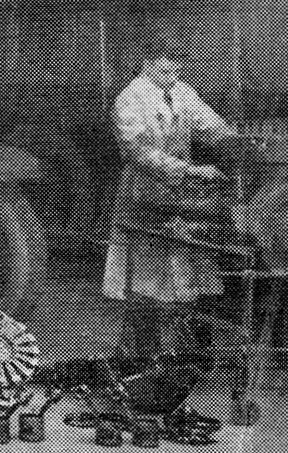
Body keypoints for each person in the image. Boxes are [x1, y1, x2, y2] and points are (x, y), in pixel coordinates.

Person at [102, 53, 241, 360]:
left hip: (179, 197)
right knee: (144, 282)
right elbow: (138, 151)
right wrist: (190, 170)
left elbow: (209, 124)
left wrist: (236, 141)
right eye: (167, 68)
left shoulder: (181, 91)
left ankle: (190, 357)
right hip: (143, 196)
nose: (174, 74)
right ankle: (139, 358)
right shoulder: (129, 99)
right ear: (146, 64)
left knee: (187, 276)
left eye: (178, 67)